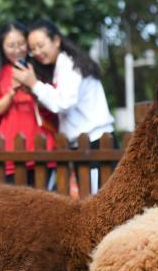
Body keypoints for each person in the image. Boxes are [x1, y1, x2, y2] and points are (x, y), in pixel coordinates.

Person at [12, 19, 115, 194]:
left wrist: (34, 83)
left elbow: (64, 102)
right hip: (85, 143)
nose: (37, 52)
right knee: (91, 199)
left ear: (56, 40)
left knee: (98, 200)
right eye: (33, 48)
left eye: (41, 45)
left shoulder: (69, 63)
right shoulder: (61, 65)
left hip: (95, 142)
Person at [0, 21, 58, 186]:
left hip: (44, 154)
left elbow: (55, 108)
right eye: (11, 45)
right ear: (2, 48)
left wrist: (34, 89)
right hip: (10, 157)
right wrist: (11, 93)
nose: (17, 50)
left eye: (21, 44)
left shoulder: (43, 70)